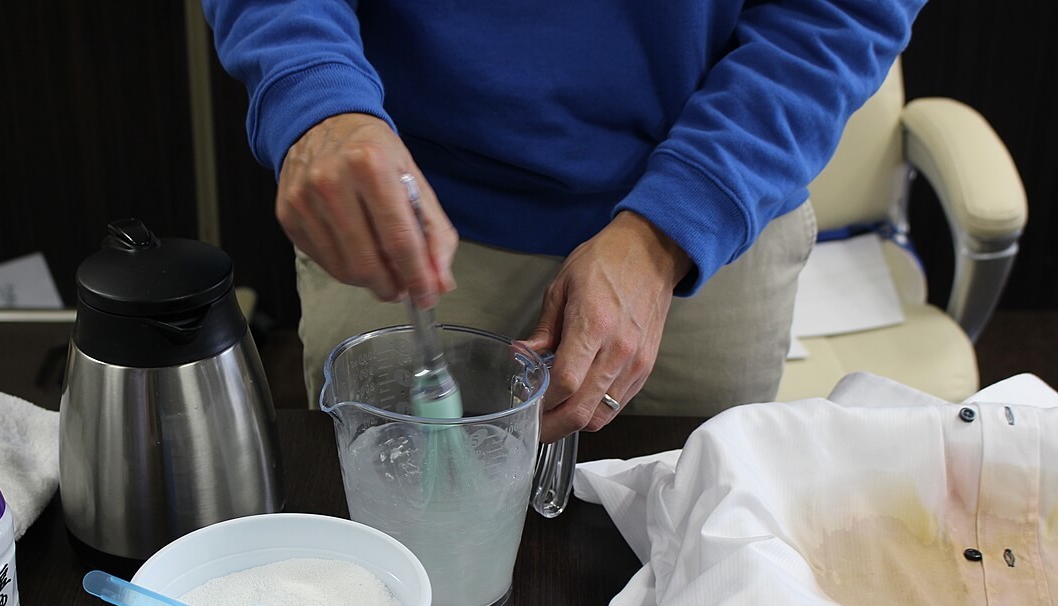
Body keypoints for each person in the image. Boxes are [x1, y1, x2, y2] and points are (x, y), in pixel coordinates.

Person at [201, 0, 926, 442]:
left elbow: (842, 13)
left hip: (705, 218)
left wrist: (673, 226)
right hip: (404, 205)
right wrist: (316, 98)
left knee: (683, 569)